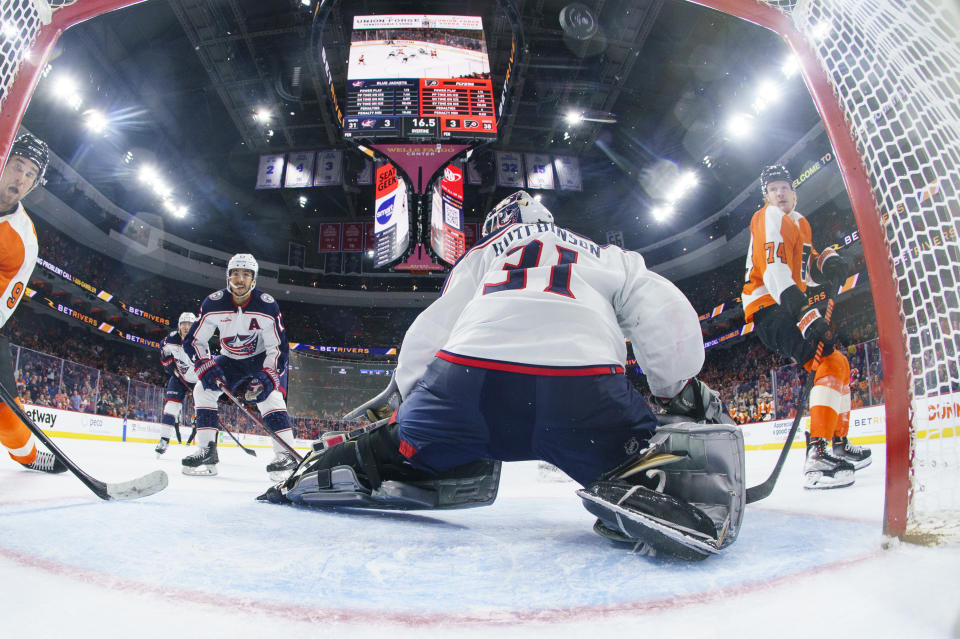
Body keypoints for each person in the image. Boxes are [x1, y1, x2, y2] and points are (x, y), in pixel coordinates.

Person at [259, 191, 745, 559]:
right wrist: (675, 386)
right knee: (638, 456)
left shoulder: (483, 254)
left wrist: (404, 400)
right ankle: (651, 479)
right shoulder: (605, 255)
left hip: (469, 390)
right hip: (581, 393)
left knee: (393, 447)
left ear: (495, 227)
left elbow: (435, 325)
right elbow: (662, 307)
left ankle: (347, 463)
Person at [742, 165, 871, 489]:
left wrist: (827, 260)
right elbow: (774, 272)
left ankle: (836, 442)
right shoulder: (767, 217)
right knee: (826, 361)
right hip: (769, 306)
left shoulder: (799, 222)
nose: (780, 193)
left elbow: (804, 268)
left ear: (795, 193)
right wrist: (804, 313)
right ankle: (816, 455)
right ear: (766, 196)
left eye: (785, 187)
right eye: (773, 189)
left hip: (786, 303)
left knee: (837, 362)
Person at [181, 253, 295, 479]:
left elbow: (279, 348)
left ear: (254, 279)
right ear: (227, 277)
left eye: (245, 274)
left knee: (270, 396)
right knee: (202, 389)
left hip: (260, 359)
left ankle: (286, 455)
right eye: (235, 274)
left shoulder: (267, 306)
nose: (239, 279)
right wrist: (204, 364)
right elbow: (194, 341)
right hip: (230, 359)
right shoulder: (212, 303)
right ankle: (207, 451)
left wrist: (269, 374)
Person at [0, 133, 66, 473]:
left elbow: (7, 296)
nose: (21, 179)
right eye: (18, 166)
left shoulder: (24, 237)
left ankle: (27, 455)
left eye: (30, 174)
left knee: (7, 413)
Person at [154, 312, 199, 458]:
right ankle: (164, 440)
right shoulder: (171, 340)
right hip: (179, 377)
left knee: (203, 411)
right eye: (183, 324)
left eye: (189, 324)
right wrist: (170, 367)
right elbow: (164, 354)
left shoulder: (200, 341)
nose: (186, 327)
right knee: (170, 407)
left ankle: (208, 446)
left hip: (197, 380)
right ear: (179, 326)